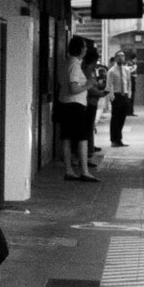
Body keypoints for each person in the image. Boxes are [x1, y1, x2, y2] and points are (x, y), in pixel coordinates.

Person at [55, 35, 95, 182]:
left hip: (64, 104)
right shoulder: (74, 64)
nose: (85, 49)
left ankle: (69, 171)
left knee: (66, 138)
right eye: (84, 47)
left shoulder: (66, 63)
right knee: (82, 138)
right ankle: (84, 171)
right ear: (79, 49)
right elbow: (73, 88)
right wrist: (88, 85)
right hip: (75, 106)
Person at [107, 54, 135, 147]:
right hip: (116, 96)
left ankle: (119, 139)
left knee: (122, 118)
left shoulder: (127, 70)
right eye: (119, 56)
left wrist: (129, 94)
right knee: (115, 118)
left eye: (123, 56)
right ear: (115, 58)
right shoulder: (111, 71)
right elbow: (109, 85)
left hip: (125, 96)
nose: (121, 58)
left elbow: (129, 82)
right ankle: (113, 140)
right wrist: (112, 97)